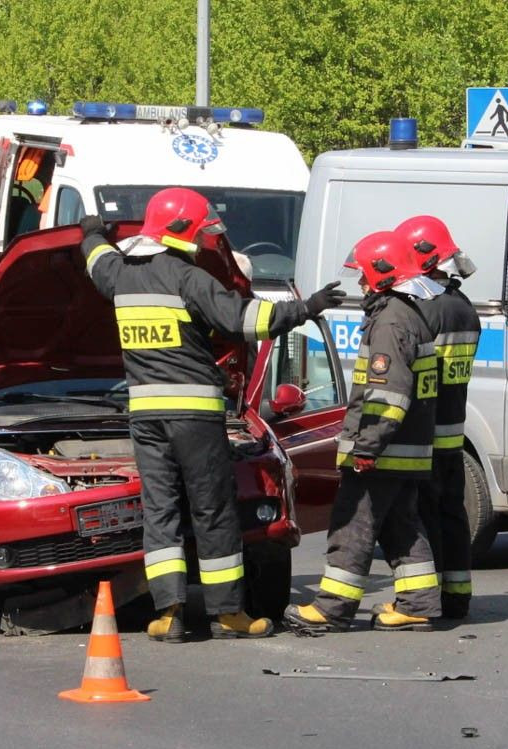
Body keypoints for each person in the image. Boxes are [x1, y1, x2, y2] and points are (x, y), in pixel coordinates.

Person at [79, 188, 345, 642]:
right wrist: (306, 307)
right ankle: (226, 615)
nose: (206, 241)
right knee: (213, 511)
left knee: (160, 510)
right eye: (202, 232)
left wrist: (90, 233)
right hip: (195, 417)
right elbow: (247, 320)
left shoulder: (119, 275)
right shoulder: (189, 278)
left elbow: (95, 260)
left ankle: (168, 614)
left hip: (146, 418)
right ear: (182, 231)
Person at [284, 229, 443, 633]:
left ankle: (332, 609)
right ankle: (419, 603)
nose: (360, 282)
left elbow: (389, 395)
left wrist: (367, 447)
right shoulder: (410, 314)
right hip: (407, 451)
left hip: (382, 451)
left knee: (352, 525)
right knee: (401, 527)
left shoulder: (390, 320)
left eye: (364, 274)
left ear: (383, 272)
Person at [394, 215, 481, 620]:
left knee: (421, 517)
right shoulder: (464, 308)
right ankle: (457, 595)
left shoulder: (425, 311)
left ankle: (423, 600)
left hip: (423, 432)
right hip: (453, 431)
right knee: (452, 513)